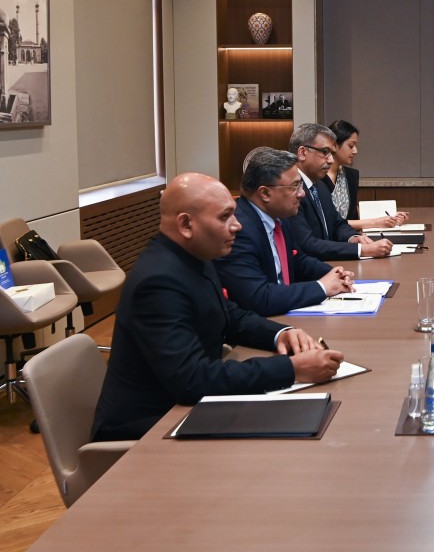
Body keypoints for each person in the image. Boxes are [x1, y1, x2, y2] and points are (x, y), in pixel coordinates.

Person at [91, 173, 344, 442]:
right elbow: (192, 379)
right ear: (186, 224)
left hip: (183, 408)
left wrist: (280, 334)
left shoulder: (193, 255)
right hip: (148, 428)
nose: (237, 225)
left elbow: (228, 315)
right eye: (225, 217)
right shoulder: (157, 281)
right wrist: (291, 369)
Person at [215, 148, 354, 316]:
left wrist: (333, 274)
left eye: (301, 185)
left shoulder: (279, 217)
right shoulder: (239, 230)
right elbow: (259, 298)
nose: (302, 193)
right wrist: (322, 287)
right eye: (295, 186)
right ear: (265, 193)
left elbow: (296, 259)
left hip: (285, 313)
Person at [286, 123, 392, 260]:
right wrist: (361, 250)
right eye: (325, 152)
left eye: (331, 153)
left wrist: (353, 238)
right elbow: (307, 244)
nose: (331, 160)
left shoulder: (319, 186)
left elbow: (337, 224)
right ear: (302, 153)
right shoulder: (289, 190)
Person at [320, 119, 410, 230]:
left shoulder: (350, 175)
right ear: (335, 145)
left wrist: (390, 218)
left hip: (349, 236)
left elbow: (353, 214)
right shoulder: (318, 177)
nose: (355, 151)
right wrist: (375, 222)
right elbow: (329, 222)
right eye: (351, 146)